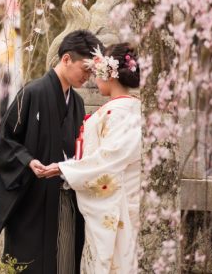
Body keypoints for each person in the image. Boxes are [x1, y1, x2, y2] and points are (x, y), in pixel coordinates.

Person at [0, 29, 103, 273]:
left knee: (64, 260)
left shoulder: (76, 102)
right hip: (33, 199)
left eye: (91, 71)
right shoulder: (32, 92)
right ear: (66, 59)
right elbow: (6, 140)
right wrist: (28, 161)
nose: (88, 76)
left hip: (64, 196)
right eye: (85, 69)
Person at [44, 43, 142, 274]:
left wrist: (63, 168)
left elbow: (107, 160)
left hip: (118, 204)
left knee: (114, 262)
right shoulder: (131, 109)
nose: (93, 79)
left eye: (97, 72)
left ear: (109, 74)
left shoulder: (118, 113)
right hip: (121, 200)